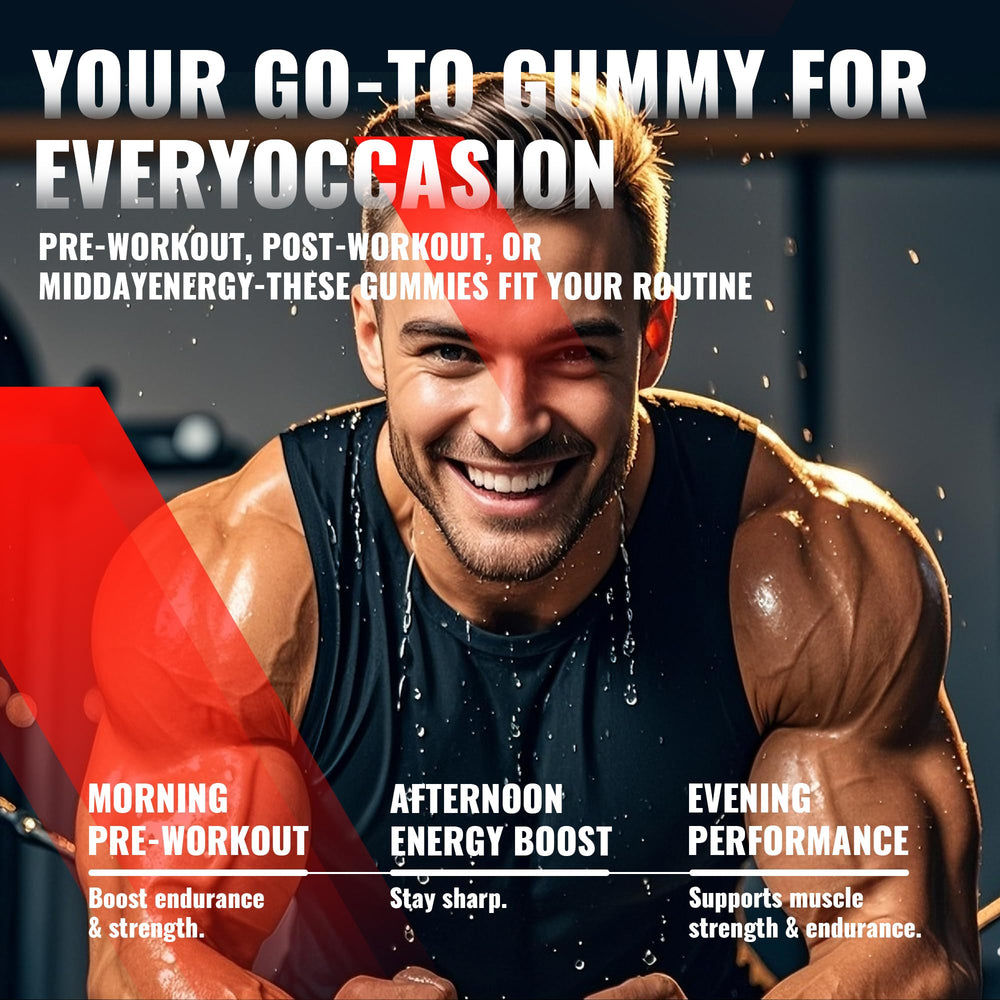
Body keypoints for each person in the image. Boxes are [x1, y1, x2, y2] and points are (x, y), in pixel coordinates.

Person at [78, 74, 981, 1000]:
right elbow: (139, 962)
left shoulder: (803, 573)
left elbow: (914, 953)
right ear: (371, 336)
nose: (511, 426)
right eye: (451, 352)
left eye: (574, 353)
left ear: (652, 338)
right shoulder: (229, 590)